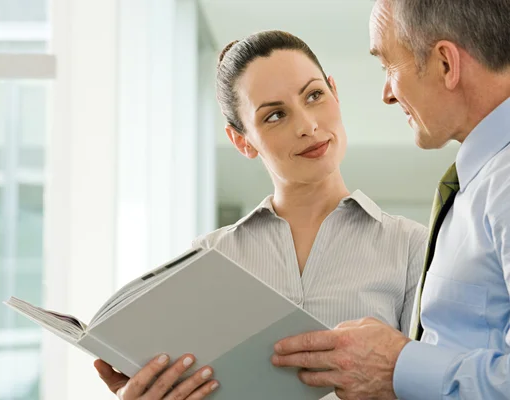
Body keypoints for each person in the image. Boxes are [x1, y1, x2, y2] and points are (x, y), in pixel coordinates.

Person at [95, 30, 428, 399]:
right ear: (242, 141)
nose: (307, 125)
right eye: (275, 116)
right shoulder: (208, 256)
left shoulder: (414, 247)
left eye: (314, 95)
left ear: (335, 92)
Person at [270, 0, 510, 399]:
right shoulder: (480, 183)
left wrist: (398, 366)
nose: (386, 93)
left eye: (388, 67)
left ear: (446, 64)